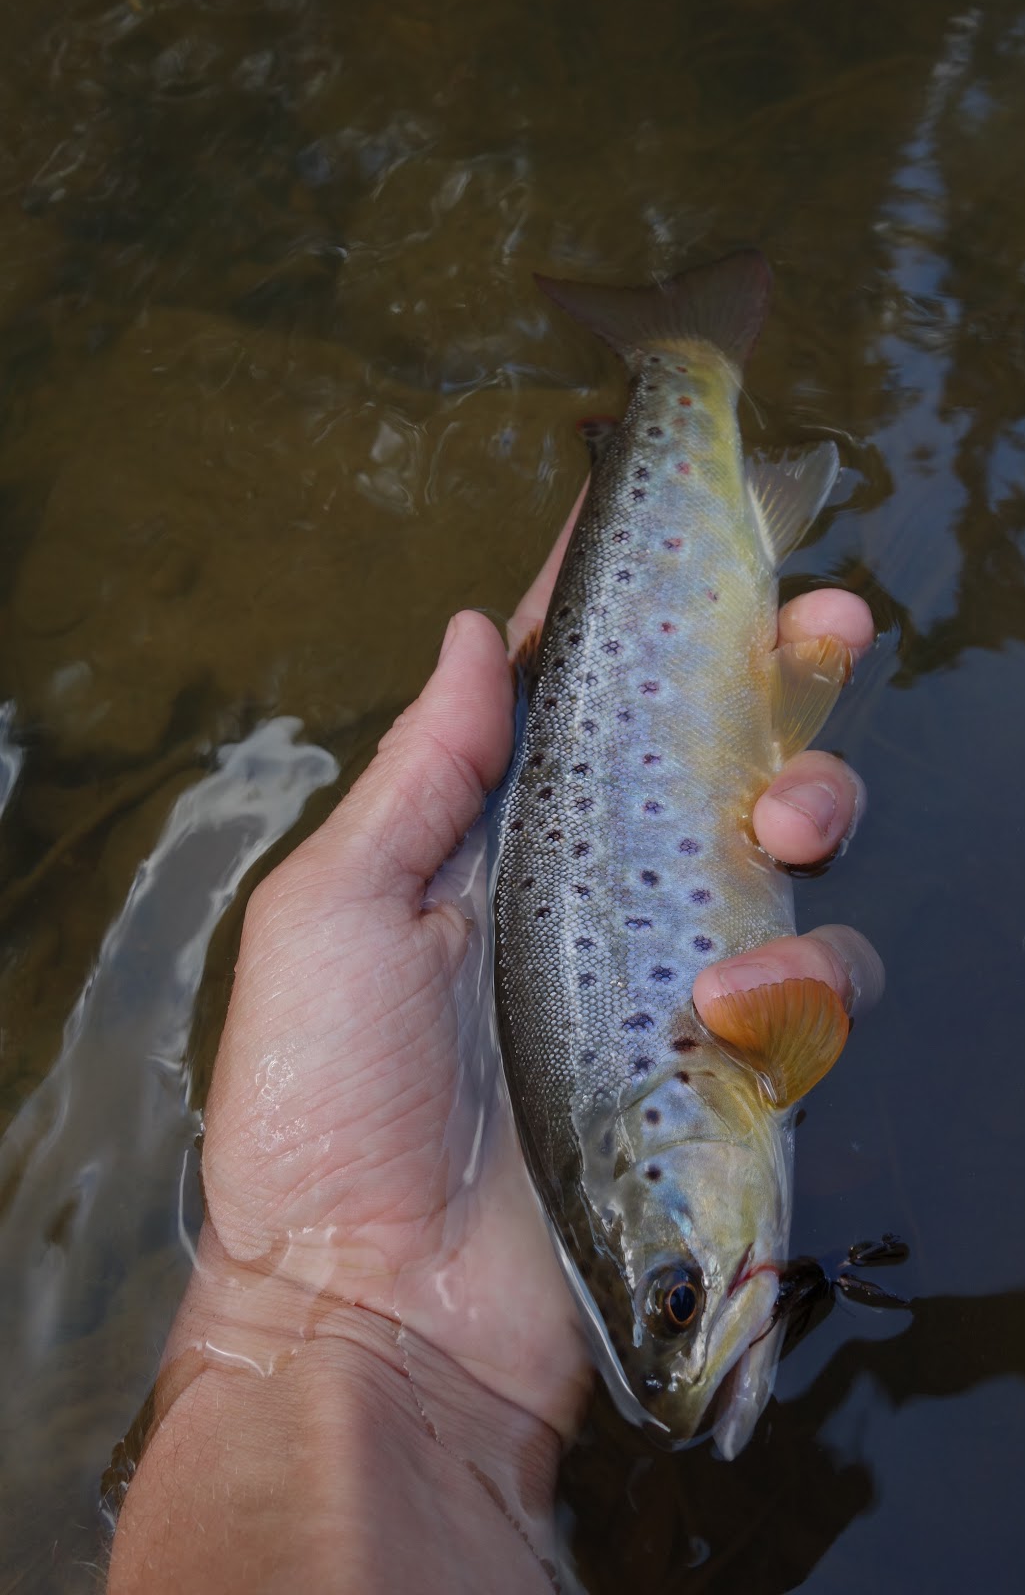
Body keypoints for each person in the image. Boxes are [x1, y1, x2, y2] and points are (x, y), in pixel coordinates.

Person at [106, 494, 876, 1593]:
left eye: (679, 1298)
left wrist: (289, 1303)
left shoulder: (739, 1088)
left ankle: (684, 373)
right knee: (790, 779)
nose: (694, 1309)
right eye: (676, 1301)